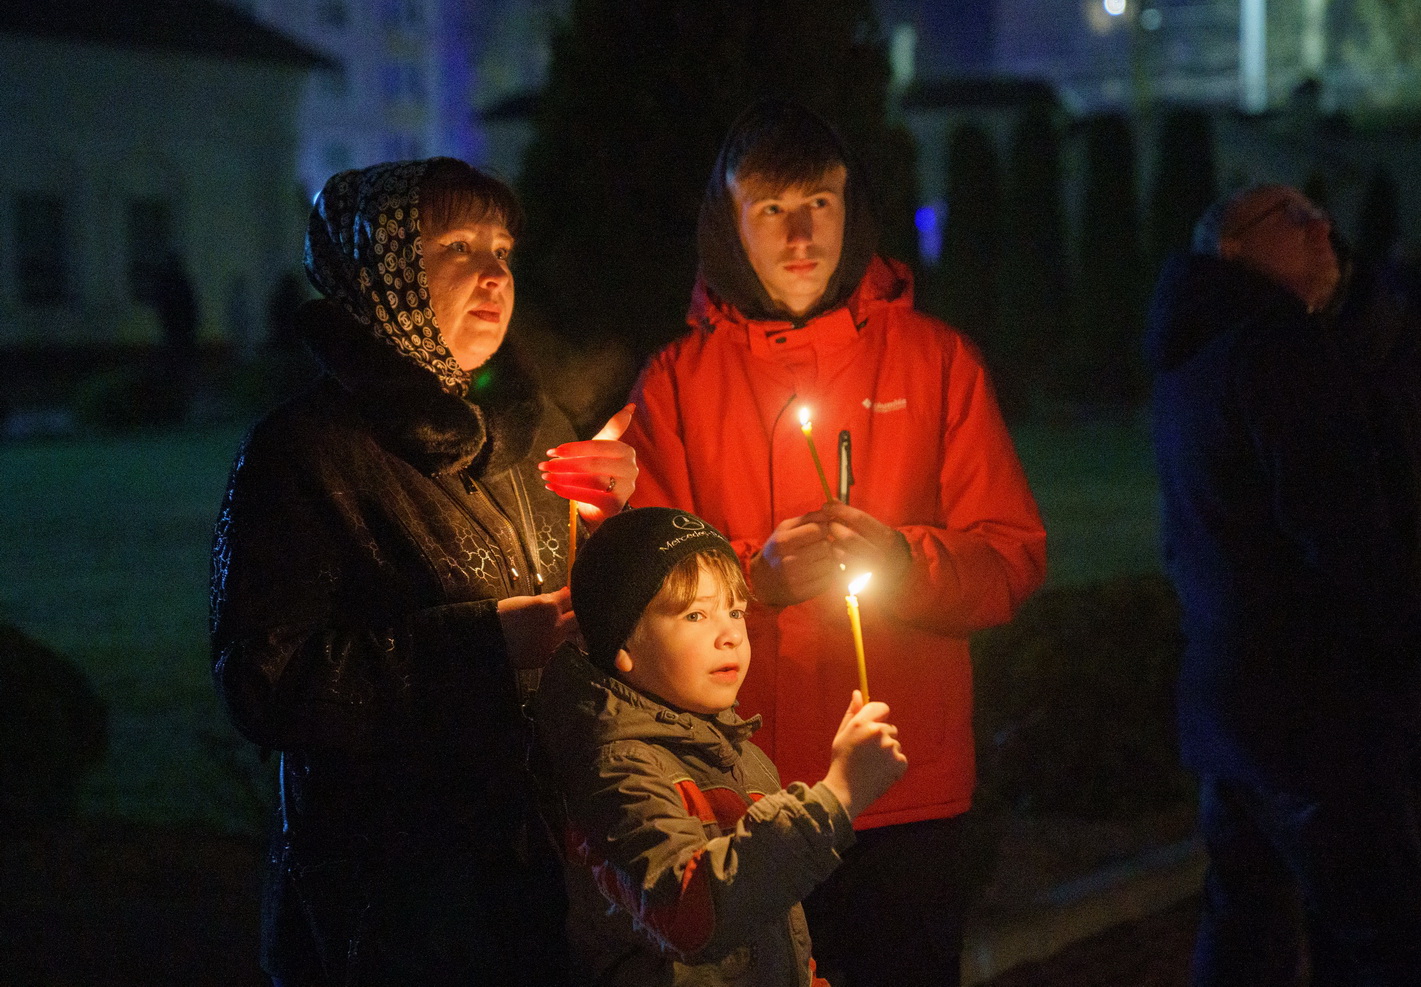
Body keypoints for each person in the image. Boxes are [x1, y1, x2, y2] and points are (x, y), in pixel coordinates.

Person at [621, 100, 1047, 987]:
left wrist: (903, 560)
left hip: (905, 790)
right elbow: (636, 589)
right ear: (728, 223)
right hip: (745, 797)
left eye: (820, 200)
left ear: (852, 209)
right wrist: (754, 577)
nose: (800, 232)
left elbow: (1009, 558)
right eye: (769, 208)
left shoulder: (935, 363)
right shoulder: (676, 384)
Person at [210, 158, 638, 986]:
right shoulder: (305, 453)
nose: (492, 273)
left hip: (541, 880)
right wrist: (483, 646)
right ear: (384, 269)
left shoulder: (528, 429)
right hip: (389, 901)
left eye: (504, 249)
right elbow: (264, 680)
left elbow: (577, 622)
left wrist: (611, 519)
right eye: (454, 245)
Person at [1146, 183, 1421, 985]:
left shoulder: (1189, 353)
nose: (1320, 225)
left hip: (1231, 702)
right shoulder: (1276, 347)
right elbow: (1341, 535)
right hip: (1318, 710)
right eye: (1290, 217)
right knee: (1379, 935)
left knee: (1244, 925)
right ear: (1231, 250)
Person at [533, 506, 907, 986]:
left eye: (736, 611)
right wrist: (835, 796)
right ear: (621, 643)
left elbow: (772, 928)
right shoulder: (617, 766)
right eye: (695, 614)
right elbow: (692, 918)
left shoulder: (745, 758)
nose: (730, 635)